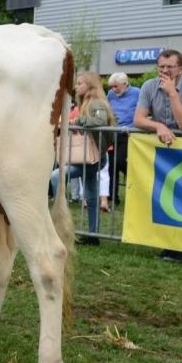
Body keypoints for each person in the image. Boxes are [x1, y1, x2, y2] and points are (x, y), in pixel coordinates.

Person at [134, 49, 182, 263]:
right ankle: (171, 245)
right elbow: (139, 119)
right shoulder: (148, 86)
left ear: (181, 68)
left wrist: (172, 92)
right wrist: (158, 125)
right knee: (166, 196)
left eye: (170, 67)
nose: (165, 71)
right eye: (161, 67)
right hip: (164, 152)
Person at [50, 71, 117, 245]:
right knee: (91, 193)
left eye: (80, 83)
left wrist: (77, 121)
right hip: (91, 156)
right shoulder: (87, 102)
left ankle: (63, 223)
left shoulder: (95, 102)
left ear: (90, 85)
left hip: (93, 157)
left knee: (57, 176)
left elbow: (100, 121)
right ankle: (92, 234)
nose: (76, 86)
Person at [106, 72, 140, 206]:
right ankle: (113, 197)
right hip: (112, 133)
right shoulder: (110, 94)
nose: (113, 89)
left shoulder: (137, 92)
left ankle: (134, 188)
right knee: (111, 166)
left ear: (125, 84)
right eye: (112, 87)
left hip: (128, 133)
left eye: (116, 86)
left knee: (121, 161)